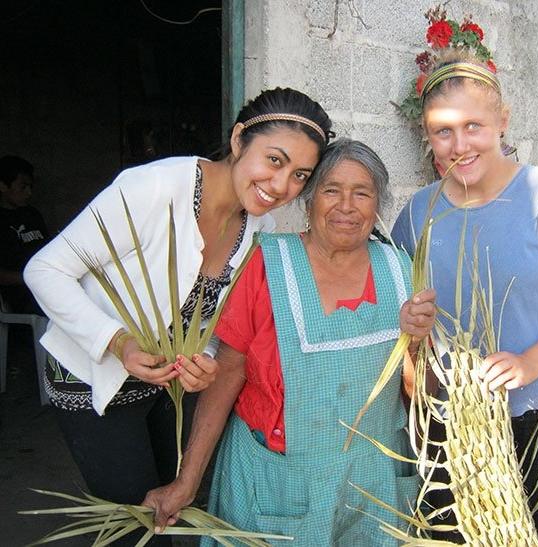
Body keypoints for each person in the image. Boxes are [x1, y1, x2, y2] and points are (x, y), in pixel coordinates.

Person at [24, 88, 333, 546]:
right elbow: (44, 269)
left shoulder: (259, 227)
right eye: (274, 160)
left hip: (162, 385)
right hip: (91, 379)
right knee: (135, 527)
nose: (283, 184)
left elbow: (210, 320)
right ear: (239, 139)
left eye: (300, 174)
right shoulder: (154, 189)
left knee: (163, 510)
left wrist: (203, 357)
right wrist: (118, 342)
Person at [143, 139, 437, 545]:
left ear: (378, 204)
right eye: (332, 190)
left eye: (362, 193)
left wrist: (420, 344)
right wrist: (187, 481)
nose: (346, 206)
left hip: (372, 487)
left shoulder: (401, 270)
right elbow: (228, 373)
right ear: (309, 199)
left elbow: (420, 390)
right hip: (278, 481)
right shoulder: (268, 265)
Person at [391, 52, 538, 546]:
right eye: (442, 131)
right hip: (454, 415)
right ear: (427, 135)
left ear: (502, 121)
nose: (459, 145)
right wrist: (410, 321)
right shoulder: (419, 213)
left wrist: (530, 363)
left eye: (473, 126)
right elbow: (404, 304)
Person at [0, 155, 48, 314]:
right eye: (23, 187)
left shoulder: (32, 215)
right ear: (3, 186)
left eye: (30, 187)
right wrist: (30, 278)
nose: (29, 193)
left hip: (45, 287)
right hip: (19, 297)